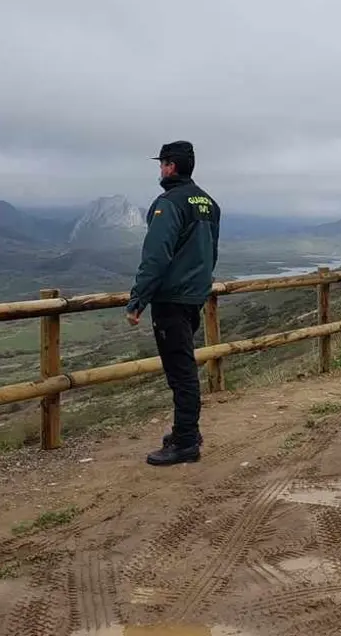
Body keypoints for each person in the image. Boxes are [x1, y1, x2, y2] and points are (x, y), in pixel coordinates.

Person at [124, 140, 221, 466]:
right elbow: (212, 252)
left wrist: (138, 299)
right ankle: (185, 432)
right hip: (194, 296)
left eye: (162, 163)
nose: (160, 169)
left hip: (172, 299)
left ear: (170, 166)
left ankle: (185, 442)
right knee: (184, 367)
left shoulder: (168, 203)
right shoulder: (208, 203)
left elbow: (156, 255)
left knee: (180, 372)